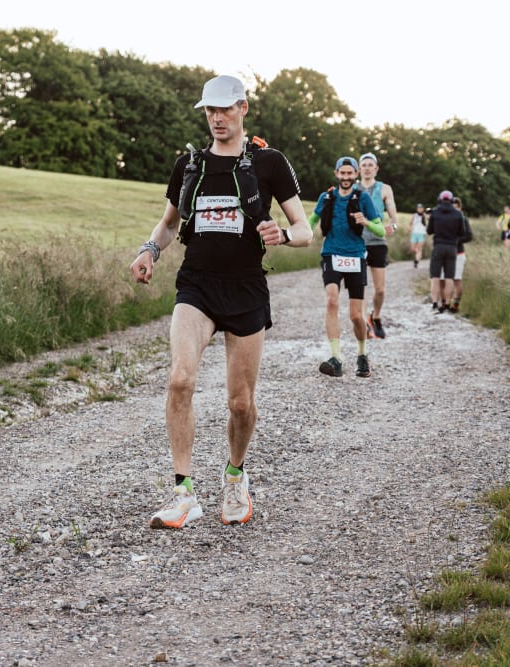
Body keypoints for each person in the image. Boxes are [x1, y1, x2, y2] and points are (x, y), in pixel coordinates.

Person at [130, 74, 313, 529]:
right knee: (179, 380)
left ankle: (235, 477)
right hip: (197, 286)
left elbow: (304, 230)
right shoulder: (189, 165)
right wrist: (149, 251)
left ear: (242, 108)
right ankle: (183, 493)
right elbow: (169, 224)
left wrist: (283, 234)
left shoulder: (269, 163)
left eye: (225, 109)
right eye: (210, 110)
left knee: (240, 403)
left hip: (246, 287)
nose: (217, 118)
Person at [308, 156, 385, 378]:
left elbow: (380, 230)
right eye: (342, 173)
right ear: (336, 174)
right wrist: (303, 232)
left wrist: (366, 222)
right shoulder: (326, 197)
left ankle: (362, 354)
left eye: (350, 173)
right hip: (331, 253)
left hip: (355, 256)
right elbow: (311, 220)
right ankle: (336, 358)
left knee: (355, 315)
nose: (346, 177)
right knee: (332, 301)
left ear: (355, 175)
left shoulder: (363, 198)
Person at [357, 152, 398, 339]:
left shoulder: (384, 189)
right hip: (357, 242)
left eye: (370, 165)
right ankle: (365, 322)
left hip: (377, 242)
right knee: (361, 285)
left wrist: (392, 226)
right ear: (359, 169)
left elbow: (393, 217)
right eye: (364, 165)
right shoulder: (353, 188)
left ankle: (376, 316)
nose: (367, 168)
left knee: (380, 289)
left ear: (376, 168)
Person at [426, 190, 467, 313]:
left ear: (440, 199)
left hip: (438, 246)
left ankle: (435, 303)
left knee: (435, 277)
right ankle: (448, 303)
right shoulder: (458, 214)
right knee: (449, 277)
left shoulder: (435, 213)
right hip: (452, 248)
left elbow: (429, 231)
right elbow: (462, 232)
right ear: (451, 200)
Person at [443, 196, 473, 312]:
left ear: (460, 208)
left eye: (456, 208)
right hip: (446, 253)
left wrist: (456, 240)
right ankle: (446, 303)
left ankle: (456, 304)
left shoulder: (463, 219)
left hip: (459, 253)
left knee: (457, 280)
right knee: (446, 279)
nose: (454, 210)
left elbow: (469, 236)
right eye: (452, 207)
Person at [409, 203, 427, 269]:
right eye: (419, 208)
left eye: (421, 208)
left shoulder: (424, 215)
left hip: (421, 233)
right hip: (414, 233)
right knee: (412, 248)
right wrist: (410, 229)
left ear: (423, 209)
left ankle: (416, 261)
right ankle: (419, 254)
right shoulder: (414, 215)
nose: (420, 209)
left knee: (419, 248)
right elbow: (410, 223)